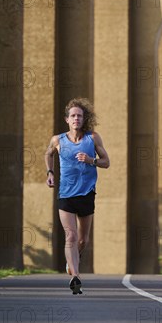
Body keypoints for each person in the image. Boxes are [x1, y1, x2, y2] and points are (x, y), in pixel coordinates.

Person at [45, 97, 110, 295]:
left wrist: (91, 160)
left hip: (87, 194)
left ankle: (72, 261)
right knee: (71, 236)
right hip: (65, 194)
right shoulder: (58, 140)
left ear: (84, 119)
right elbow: (48, 154)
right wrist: (50, 172)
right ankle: (76, 277)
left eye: (79, 116)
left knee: (83, 240)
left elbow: (106, 162)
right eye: (72, 116)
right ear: (67, 119)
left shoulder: (93, 138)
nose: (76, 119)